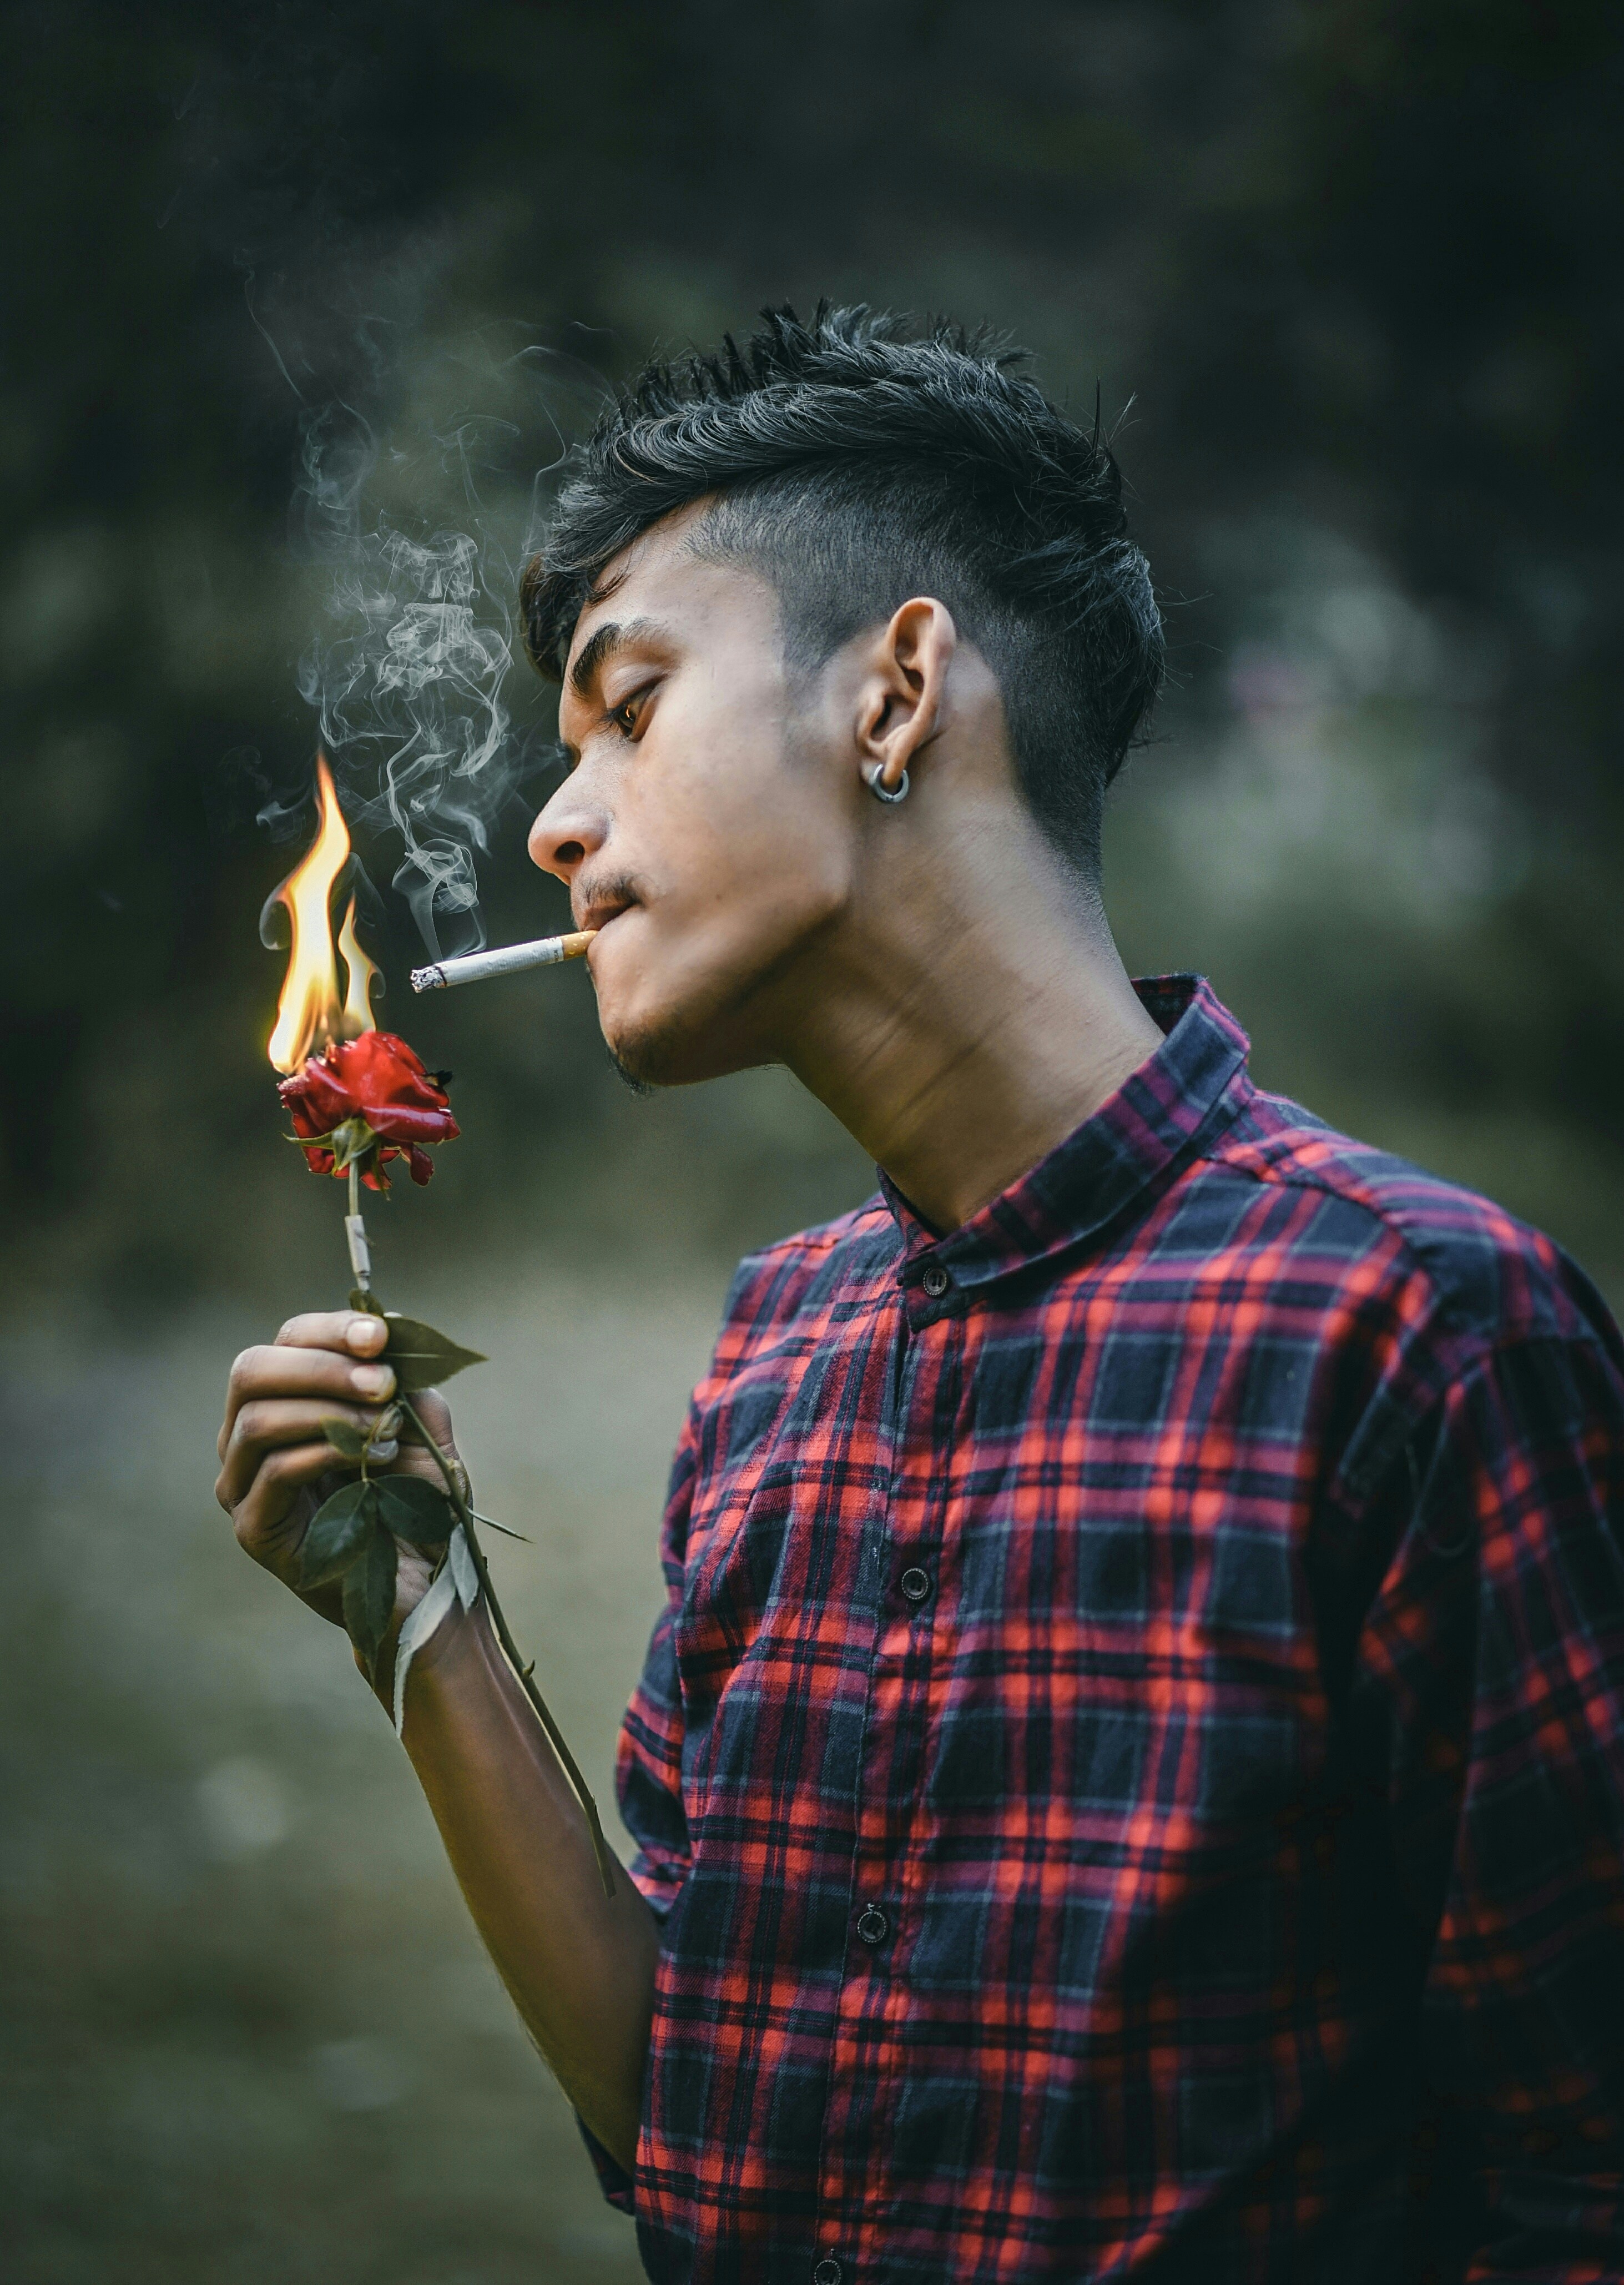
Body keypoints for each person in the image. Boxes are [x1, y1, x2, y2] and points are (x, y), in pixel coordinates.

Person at [215, 306, 1624, 2284]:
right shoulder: (781, 1350)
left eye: (628, 708)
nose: (556, 824)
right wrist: (423, 1612)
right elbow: (678, 2117)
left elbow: (1582, 2180)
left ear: (895, 694)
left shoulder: (1416, 1334)